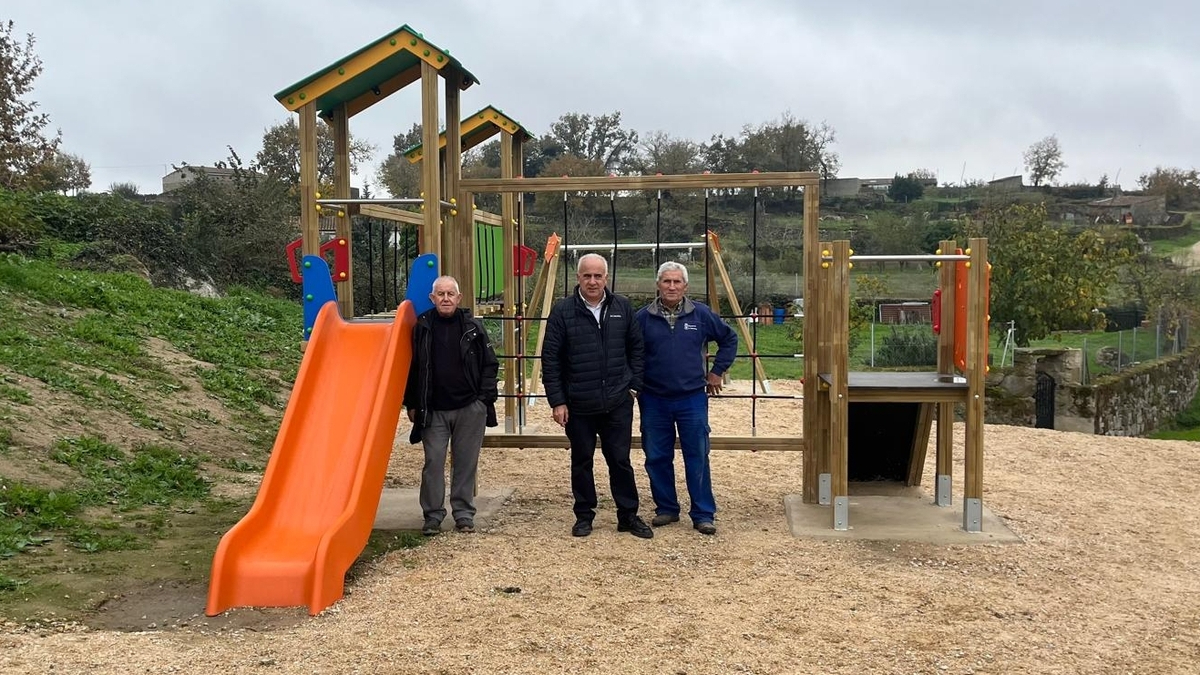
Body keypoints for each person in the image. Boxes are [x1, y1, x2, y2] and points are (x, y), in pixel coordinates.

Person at [542, 253, 653, 539]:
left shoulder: (622, 307)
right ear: (578, 278)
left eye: (598, 276)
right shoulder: (563, 311)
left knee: (620, 460)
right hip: (578, 402)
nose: (592, 281)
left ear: (606, 277)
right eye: (587, 276)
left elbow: (636, 349)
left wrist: (633, 387)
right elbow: (551, 359)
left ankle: (628, 515)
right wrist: (557, 400)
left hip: (617, 400)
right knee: (581, 461)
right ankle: (584, 516)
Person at [635, 261, 738, 535]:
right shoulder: (642, 318)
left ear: (685, 286)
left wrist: (717, 372)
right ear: (657, 285)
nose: (671, 286)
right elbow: (629, 352)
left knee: (697, 455)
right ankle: (666, 508)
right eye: (666, 281)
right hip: (654, 398)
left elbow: (729, 339)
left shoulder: (701, 315)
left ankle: (703, 512)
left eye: (676, 282)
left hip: (692, 398)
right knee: (656, 456)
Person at [404, 275, 499, 536]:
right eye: (440, 294)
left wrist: (483, 400)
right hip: (433, 409)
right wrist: (412, 402)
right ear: (432, 299)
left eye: (450, 294)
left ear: (459, 298)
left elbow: (490, 364)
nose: (446, 299)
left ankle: (464, 514)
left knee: (466, 463)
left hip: (470, 407)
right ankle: (433, 515)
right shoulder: (421, 327)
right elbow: (411, 369)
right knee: (433, 462)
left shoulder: (473, 327)